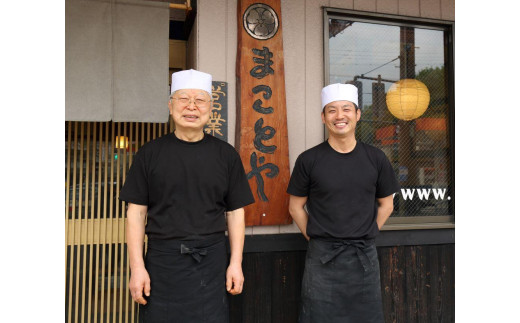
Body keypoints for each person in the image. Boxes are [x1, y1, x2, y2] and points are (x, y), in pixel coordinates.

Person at [120, 69, 255, 322]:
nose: (191, 106)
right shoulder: (150, 154)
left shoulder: (226, 155)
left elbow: (236, 213)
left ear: (210, 108)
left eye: (200, 100)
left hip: (211, 262)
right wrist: (137, 268)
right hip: (162, 263)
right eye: (183, 99)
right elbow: (135, 214)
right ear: (170, 106)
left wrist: (235, 263)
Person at [287, 83, 399, 322]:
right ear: (323, 117)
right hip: (322, 257)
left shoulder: (376, 158)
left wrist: (367, 233)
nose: (340, 116)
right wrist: (317, 238)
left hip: (363, 256)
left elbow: (386, 205)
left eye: (346, 109)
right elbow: (295, 207)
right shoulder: (309, 160)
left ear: (358, 114)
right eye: (332, 110)